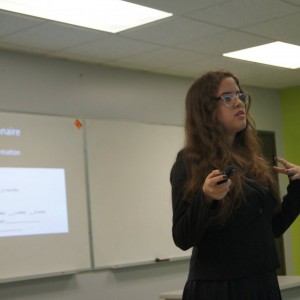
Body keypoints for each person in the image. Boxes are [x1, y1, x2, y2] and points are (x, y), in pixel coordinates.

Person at [170, 70, 300, 300]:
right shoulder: (190, 161)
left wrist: (299, 188)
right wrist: (206, 199)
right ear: (206, 109)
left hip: (262, 280)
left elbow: (272, 228)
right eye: (228, 97)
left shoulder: (252, 161)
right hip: (219, 287)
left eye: (240, 95)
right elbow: (182, 237)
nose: (239, 102)